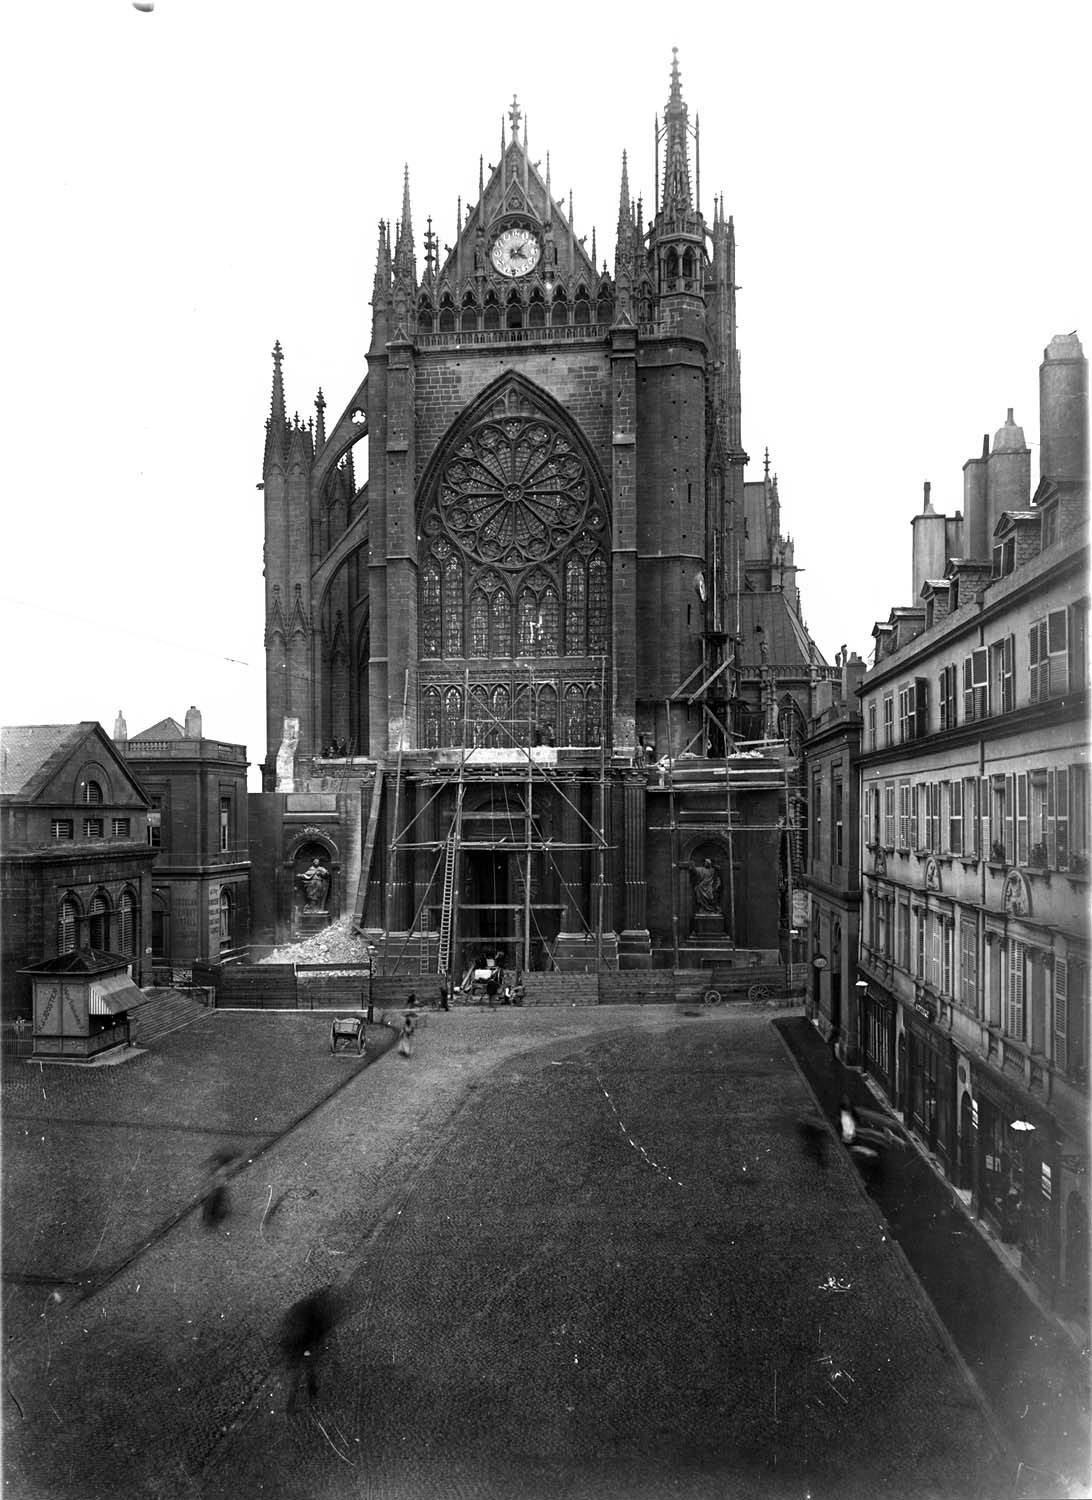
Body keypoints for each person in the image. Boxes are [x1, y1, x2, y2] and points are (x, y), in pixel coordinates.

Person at [280, 1287, 337, 1412]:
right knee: (304, 1373)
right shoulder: (315, 1313)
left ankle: (306, 1398)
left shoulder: (303, 1308)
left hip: (297, 1347)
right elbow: (315, 1331)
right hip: (301, 1347)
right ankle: (305, 1401)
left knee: (305, 1373)